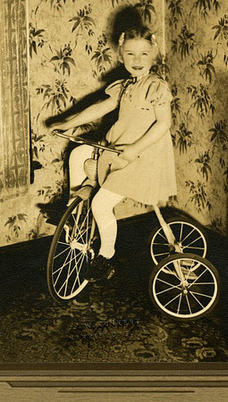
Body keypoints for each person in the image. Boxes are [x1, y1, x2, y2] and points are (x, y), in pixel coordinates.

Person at [47, 26, 177, 281]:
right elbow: (102, 106)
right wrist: (68, 122)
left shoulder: (156, 87)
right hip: (117, 148)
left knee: (102, 204)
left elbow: (164, 124)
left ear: (153, 54)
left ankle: (107, 256)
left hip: (142, 157)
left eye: (143, 54)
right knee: (78, 153)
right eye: (130, 54)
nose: (137, 61)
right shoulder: (126, 85)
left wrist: (133, 150)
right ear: (120, 55)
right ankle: (73, 210)